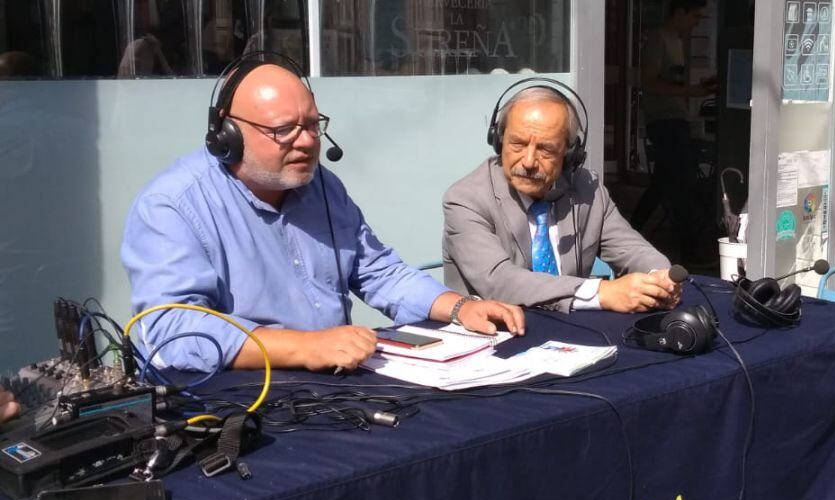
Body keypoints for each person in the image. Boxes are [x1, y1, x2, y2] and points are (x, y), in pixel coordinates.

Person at [122, 57, 524, 373]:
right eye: (285, 130)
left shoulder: (322, 187)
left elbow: (377, 271)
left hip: (330, 384)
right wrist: (305, 346)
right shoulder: (172, 206)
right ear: (228, 134)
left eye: (313, 125)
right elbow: (172, 330)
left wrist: (458, 307)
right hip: (237, 397)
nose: (307, 142)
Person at [442, 82, 681, 314]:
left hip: (571, 335)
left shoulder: (588, 189)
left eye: (545, 149)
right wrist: (601, 292)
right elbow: (498, 281)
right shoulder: (466, 199)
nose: (528, 162)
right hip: (494, 340)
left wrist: (657, 279)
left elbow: (632, 249)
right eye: (517, 144)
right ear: (498, 140)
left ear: (570, 154)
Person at [630, 0, 714, 262]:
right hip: (665, 121)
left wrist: (700, 87)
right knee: (682, 185)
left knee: (663, 185)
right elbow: (650, 83)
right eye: (695, 16)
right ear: (679, 12)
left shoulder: (677, 41)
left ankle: (631, 233)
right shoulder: (659, 39)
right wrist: (691, 92)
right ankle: (689, 250)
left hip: (674, 119)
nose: (696, 23)